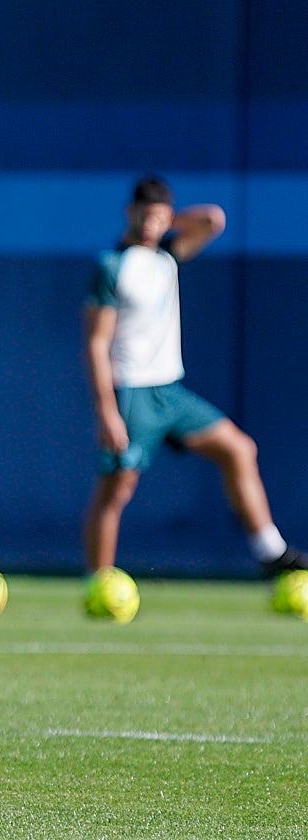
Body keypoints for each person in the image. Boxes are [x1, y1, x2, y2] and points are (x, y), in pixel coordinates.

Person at [83, 175, 307, 583]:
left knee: (238, 449)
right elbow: (97, 344)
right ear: (129, 212)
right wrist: (107, 411)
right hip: (132, 393)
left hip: (170, 390)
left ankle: (271, 553)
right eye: (144, 215)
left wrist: (165, 220)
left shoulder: (168, 255)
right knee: (116, 490)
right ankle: (99, 580)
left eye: (159, 216)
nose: (152, 223)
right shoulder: (112, 266)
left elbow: (212, 220)